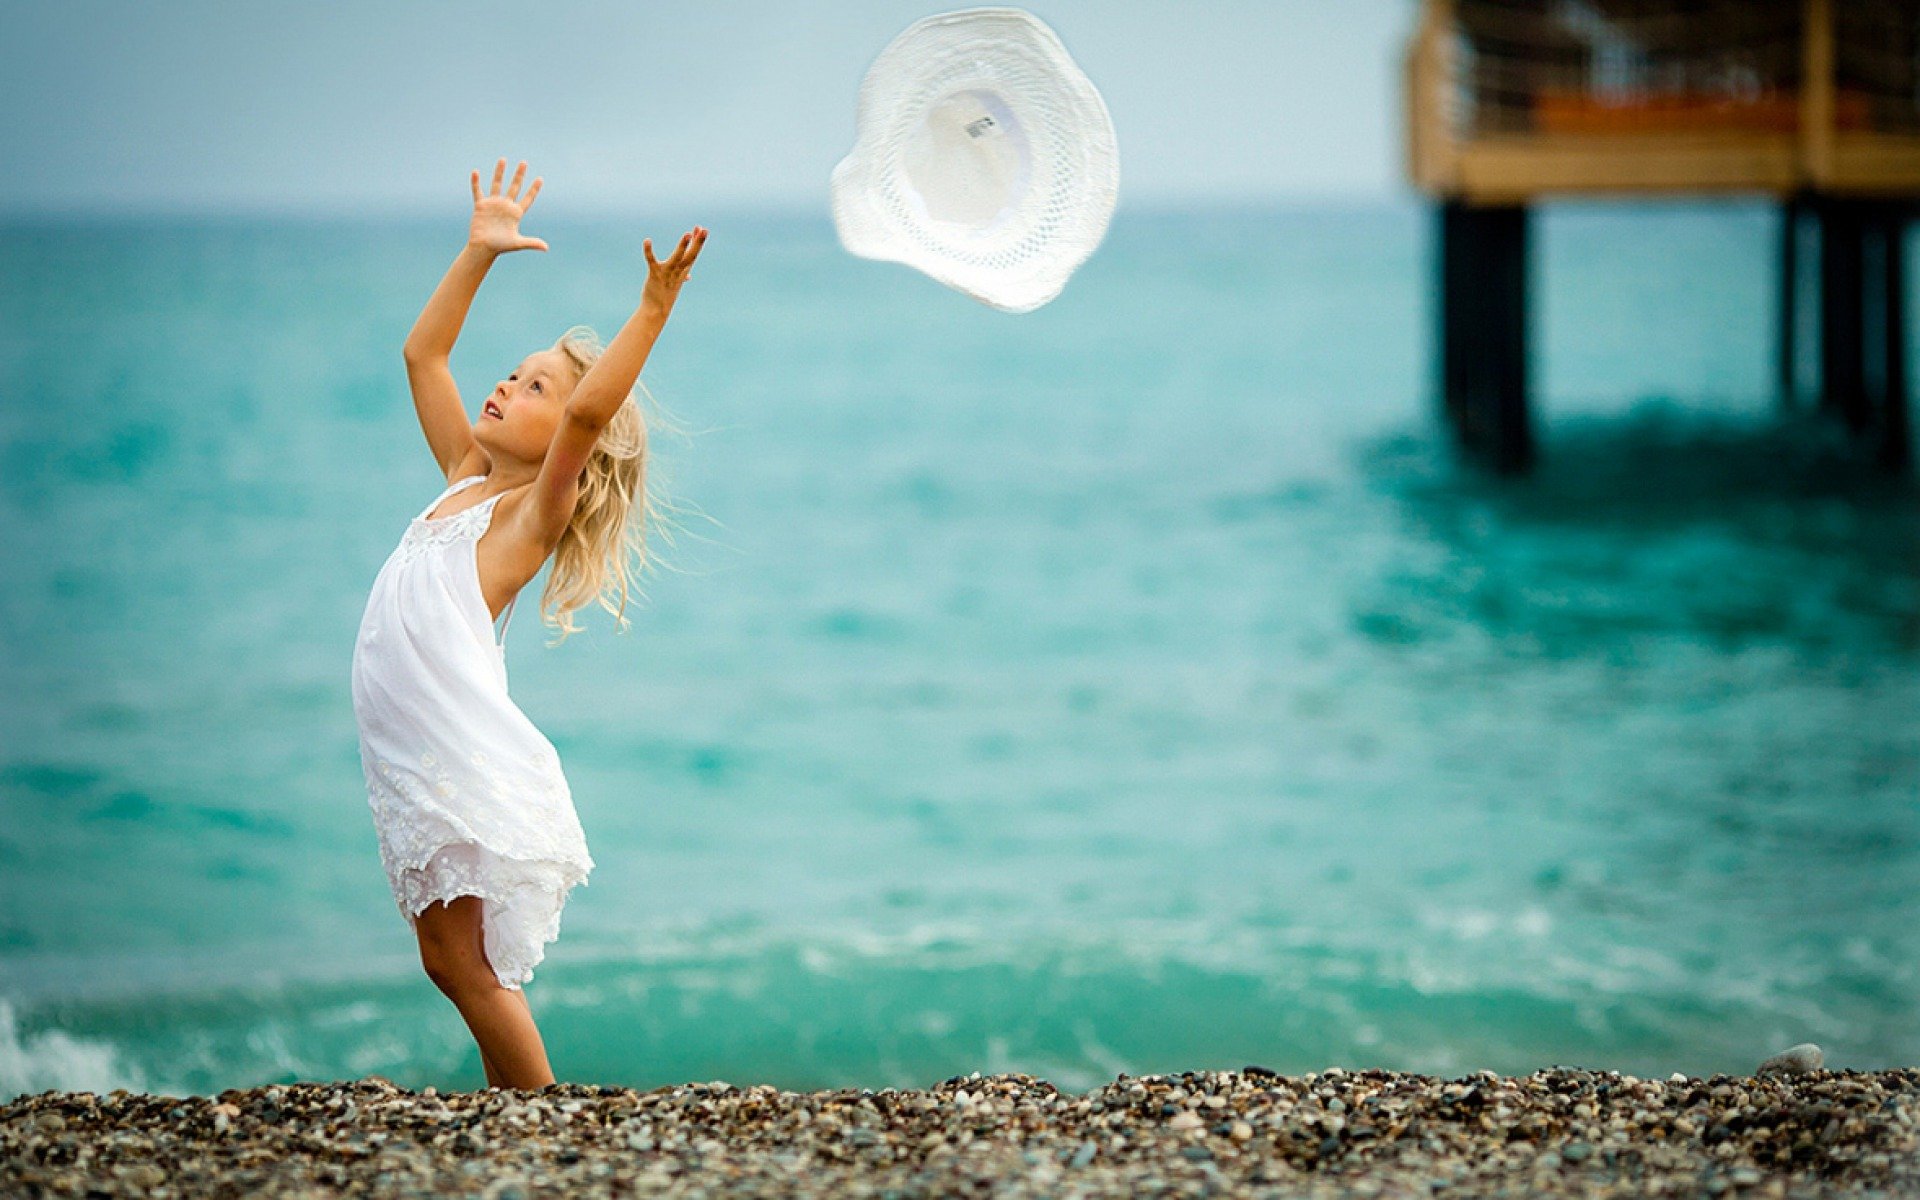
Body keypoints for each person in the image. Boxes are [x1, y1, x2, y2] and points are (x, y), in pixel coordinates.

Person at [350, 157, 706, 1089]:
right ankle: (522, 1106)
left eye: (534, 389)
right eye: (514, 374)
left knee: (463, 965)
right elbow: (422, 356)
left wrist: (653, 313)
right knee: (450, 961)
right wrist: (478, 253)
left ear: (563, 446)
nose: (507, 387)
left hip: (452, 754)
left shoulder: (521, 521)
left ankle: (537, 1115)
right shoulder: (465, 481)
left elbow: (592, 411)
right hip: (408, 753)